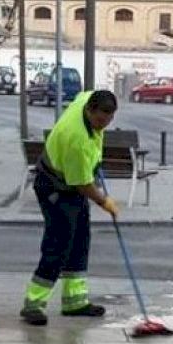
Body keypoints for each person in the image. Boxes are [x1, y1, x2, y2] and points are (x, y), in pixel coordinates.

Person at [21, 90, 121, 326]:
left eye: (108, 121)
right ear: (89, 110)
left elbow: (86, 94)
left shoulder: (86, 99)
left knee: (79, 241)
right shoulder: (77, 140)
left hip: (70, 182)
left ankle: (74, 302)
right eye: (99, 120)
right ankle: (33, 304)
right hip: (54, 186)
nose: (102, 126)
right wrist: (104, 201)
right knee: (58, 244)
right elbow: (83, 185)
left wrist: (94, 163)